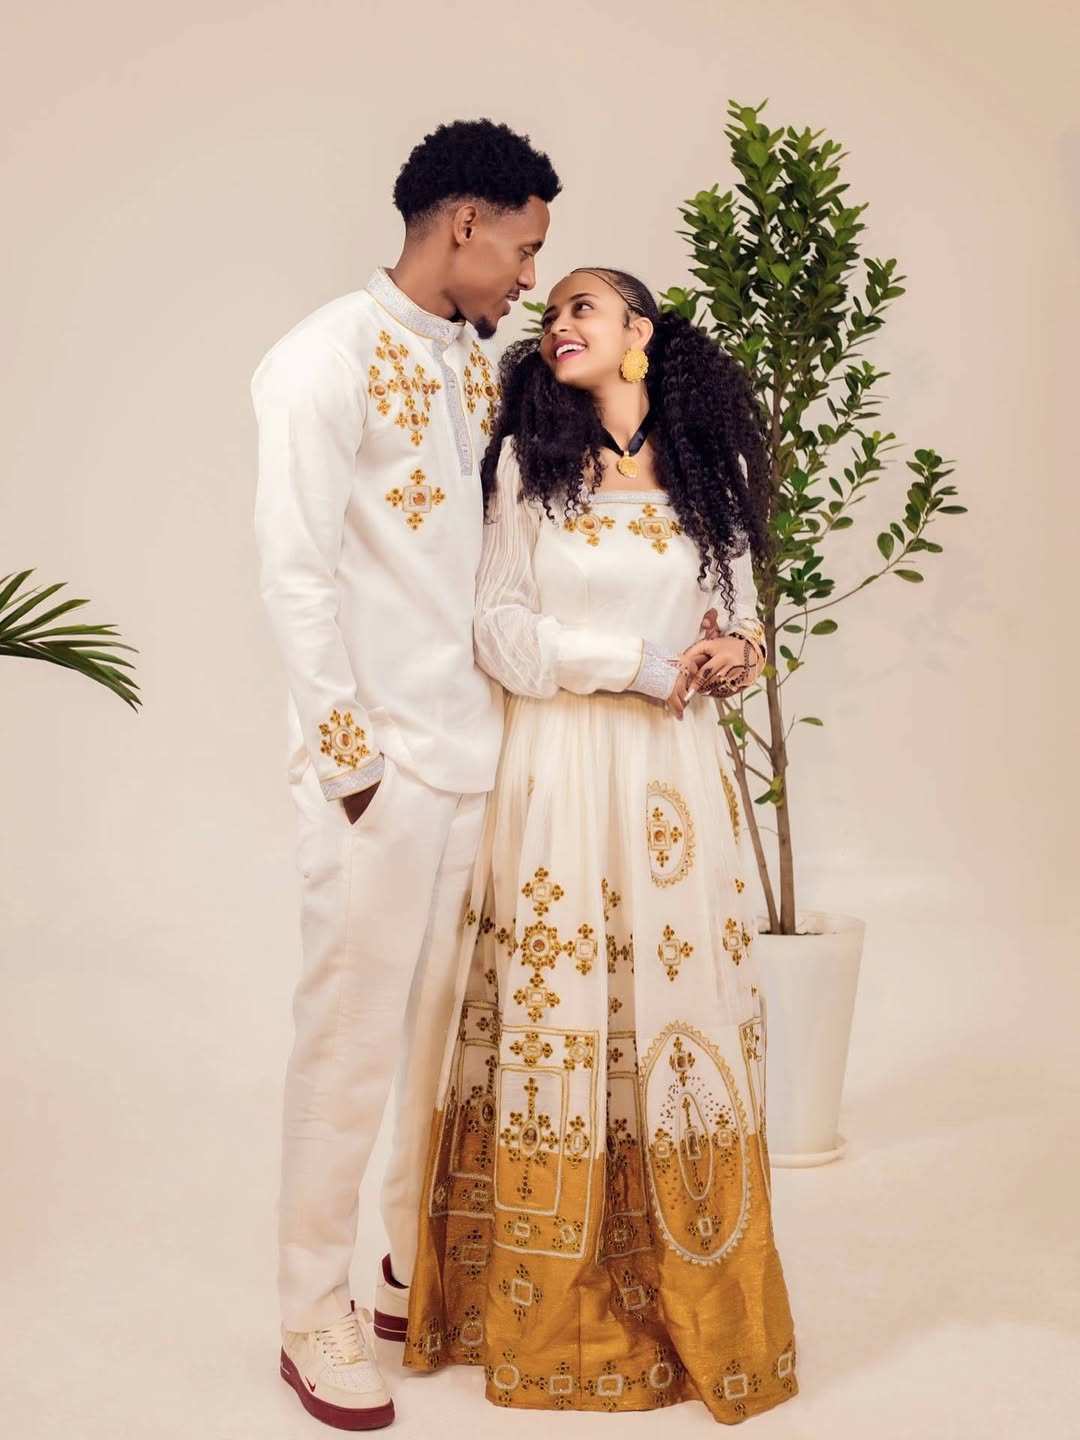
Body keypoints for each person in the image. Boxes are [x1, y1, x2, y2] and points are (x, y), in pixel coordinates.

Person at [401, 268, 800, 1421]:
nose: (559, 322)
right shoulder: (531, 465)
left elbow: (732, 616)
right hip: (565, 769)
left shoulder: (706, 474)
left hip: (675, 780)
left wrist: (736, 653)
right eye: (553, 309)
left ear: (641, 335)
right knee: (559, 1013)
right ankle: (544, 1315)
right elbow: (503, 630)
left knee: (678, 1017)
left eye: (586, 306)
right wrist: (637, 666)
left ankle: (693, 1301)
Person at [250, 118, 560, 1430]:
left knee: (447, 1049)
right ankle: (310, 1307)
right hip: (384, 776)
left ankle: (399, 1273)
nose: (533, 281)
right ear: (464, 223)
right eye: (525, 248)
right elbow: (295, 572)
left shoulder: (485, 369)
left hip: (485, 760)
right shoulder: (319, 358)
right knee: (350, 1048)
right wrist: (351, 768)